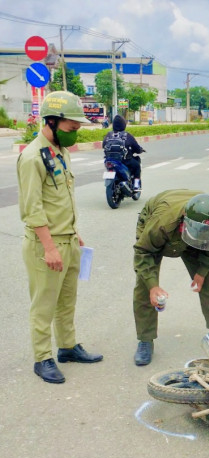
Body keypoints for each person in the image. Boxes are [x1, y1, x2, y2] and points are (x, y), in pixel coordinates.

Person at [17, 91, 103, 384]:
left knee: (67, 300)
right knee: (44, 304)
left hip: (68, 239)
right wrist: (50, 247)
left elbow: (59, 198)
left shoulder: (59, 151)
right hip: (46, 246)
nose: (74, 133)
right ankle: (43, 358)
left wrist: (74, 232)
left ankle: (67, 347)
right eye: (71, 127)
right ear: (51, 121)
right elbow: (33, 209)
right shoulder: (31, 157)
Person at [132, 189, 209, 366]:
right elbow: (143, 252)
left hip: (195, 227)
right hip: (162, 225)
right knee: (145, 285)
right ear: (184, 219)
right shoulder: (162, 222)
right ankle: (145, 340)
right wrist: (153, 286)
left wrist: (202, 272)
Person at [102, 115, 145, 192]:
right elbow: (136, 147)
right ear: (123, 124)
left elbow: (103, 145)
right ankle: (136, 185)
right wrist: (140, 150)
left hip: (109, 160)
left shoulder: (108, 135)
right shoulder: (127, 135)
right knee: (137, 166)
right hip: (125, 161)